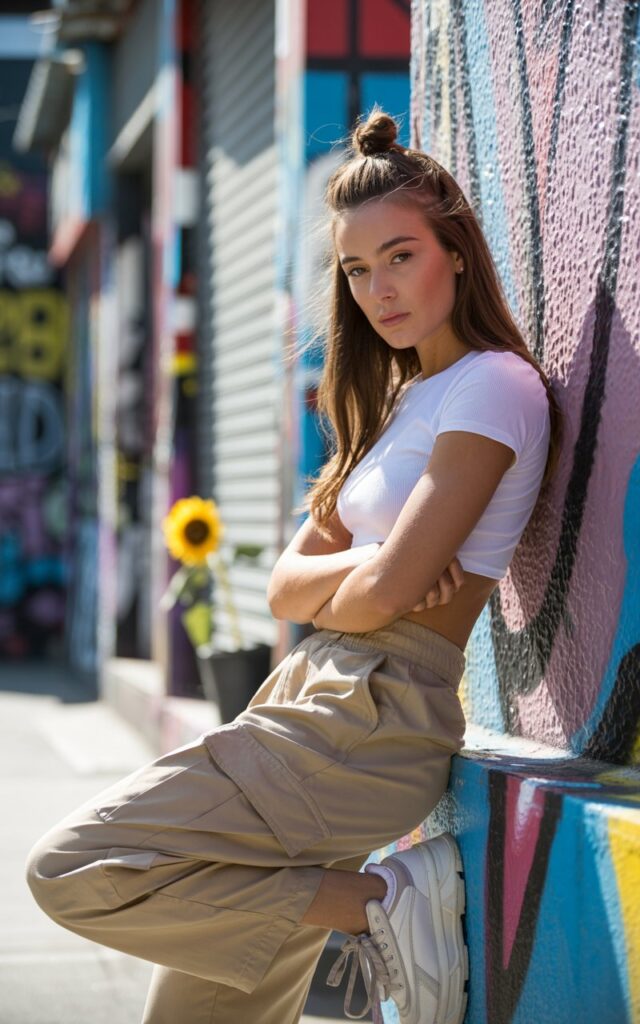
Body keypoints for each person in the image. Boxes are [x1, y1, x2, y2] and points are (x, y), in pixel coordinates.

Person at [25, 108, 561, 1024]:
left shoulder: (496, 386)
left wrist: (368, 578)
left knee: (71, 868)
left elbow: (391, 594)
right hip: (308, 697)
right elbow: (285, 586)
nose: (378, 289)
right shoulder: (394, 401)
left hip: (373, 715)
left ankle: (375, 910)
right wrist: (374, 564)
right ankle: (362, 910)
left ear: (458, 252)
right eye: (356, 270)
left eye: (401, 255)